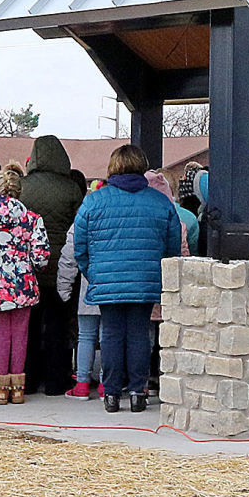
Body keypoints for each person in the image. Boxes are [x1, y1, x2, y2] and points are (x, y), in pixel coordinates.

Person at [73, 145, 181, 414]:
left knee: (109, 334)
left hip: (106, 280)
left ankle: (110, 394)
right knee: (138, 335)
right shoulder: (160, 202)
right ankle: (137, 391)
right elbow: (172, 247)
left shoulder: (94, 201)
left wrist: (94, 273)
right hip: (146, 279)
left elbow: (80, 246)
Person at [0, 167, 49, 405]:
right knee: (20, 337)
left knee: (0, 337)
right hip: (24, 286)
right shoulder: (32, 219)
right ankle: (18, 390)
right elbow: (42, 257)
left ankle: (0, 390)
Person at [20, 134, 84, 397]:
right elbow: (79, 228)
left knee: (31, 327)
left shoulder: (23, 187)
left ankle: (31, 379)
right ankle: (57, 381)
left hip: (29, 269)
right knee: (58, 326)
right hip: (61, 270)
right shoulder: (70, 188)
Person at [55, 232, 101, 399]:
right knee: (109, 338)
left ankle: (82, 385)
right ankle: (106, 385)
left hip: (88, 289)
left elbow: (69, 257)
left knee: (86, 336)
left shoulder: (84, 218)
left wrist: (64, 289)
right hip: (114, 288)